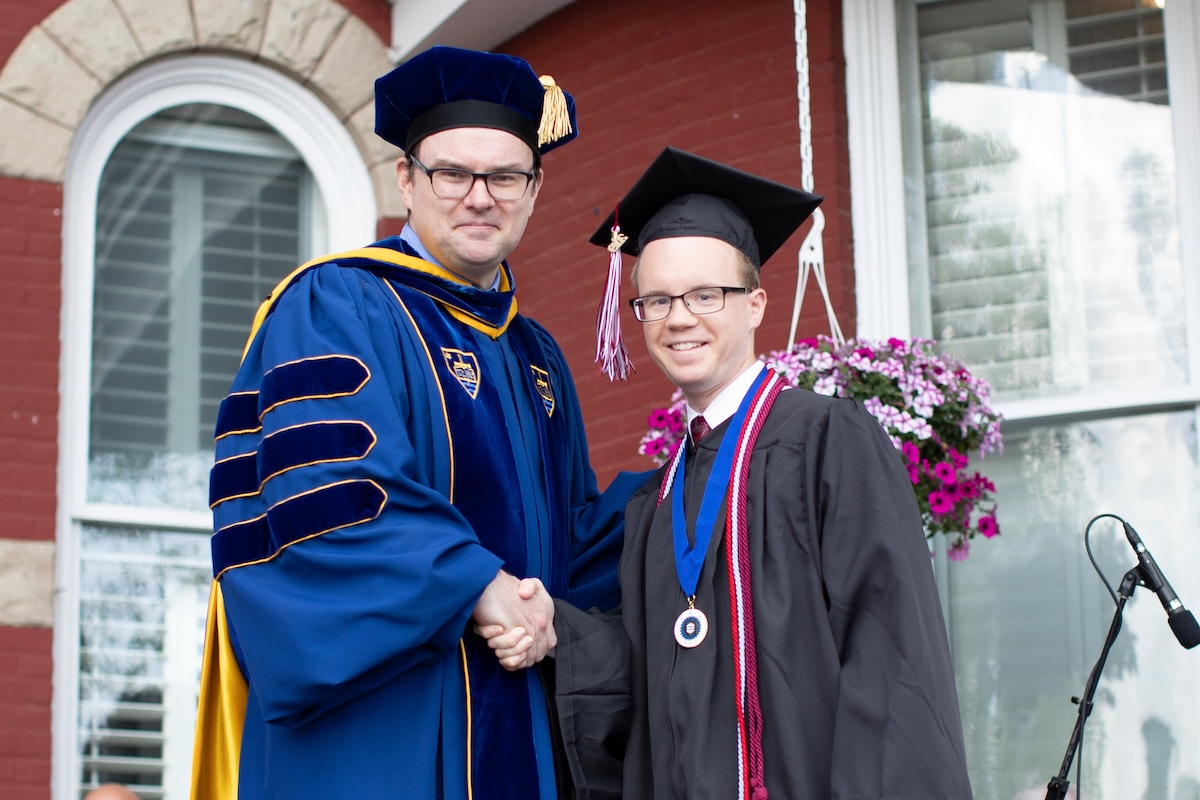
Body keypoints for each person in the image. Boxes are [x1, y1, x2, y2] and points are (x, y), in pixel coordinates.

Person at [190, 45, 645, 800]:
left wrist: (711, 475)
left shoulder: (534, 354)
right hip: (382, 726)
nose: (479, 197)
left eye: (505, 176)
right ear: (406, 179)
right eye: (451, 173)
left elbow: (570, 540)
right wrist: (477, 586)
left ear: (534, 190)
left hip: (517, 719)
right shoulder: (337, 304)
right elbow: (328, 497)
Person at [487, 147, 974, 798]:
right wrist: (554, 631)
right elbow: (645, 675)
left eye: (706, 294)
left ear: (755, 305)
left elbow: (892, 658)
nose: (678, 318)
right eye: (655, 300)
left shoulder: (828, 440)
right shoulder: (658, 499)